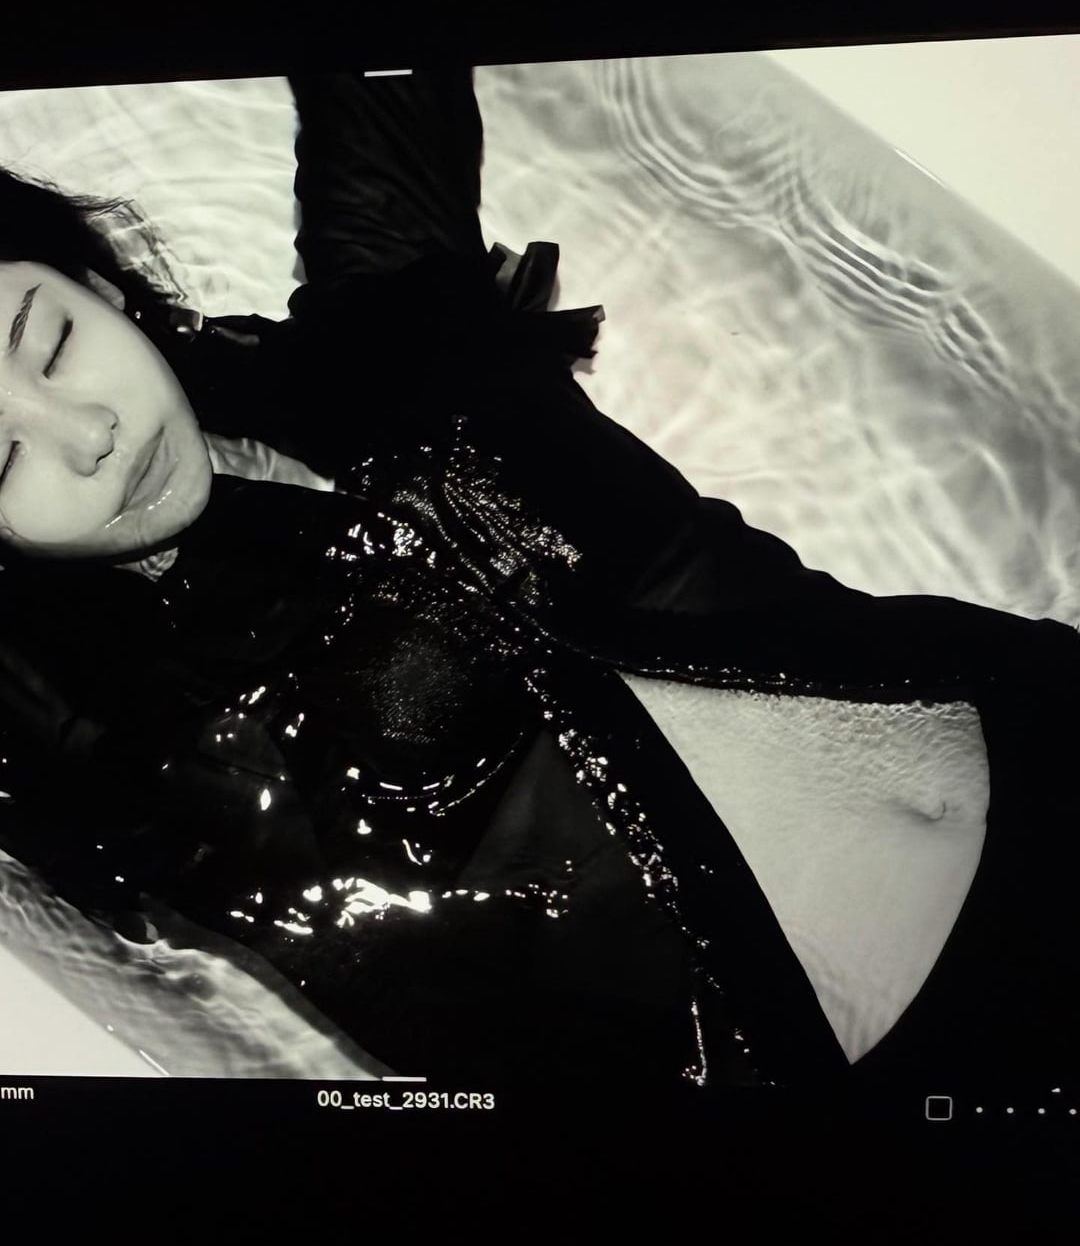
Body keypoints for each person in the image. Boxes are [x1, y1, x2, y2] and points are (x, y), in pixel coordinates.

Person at [0, 66, 1076, 1091]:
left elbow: (380, 56)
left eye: (48, 345)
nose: (88, 435)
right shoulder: (117, 741)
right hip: (930, 1064)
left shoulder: (393, 341)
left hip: (1041, 718)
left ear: (100, 285)